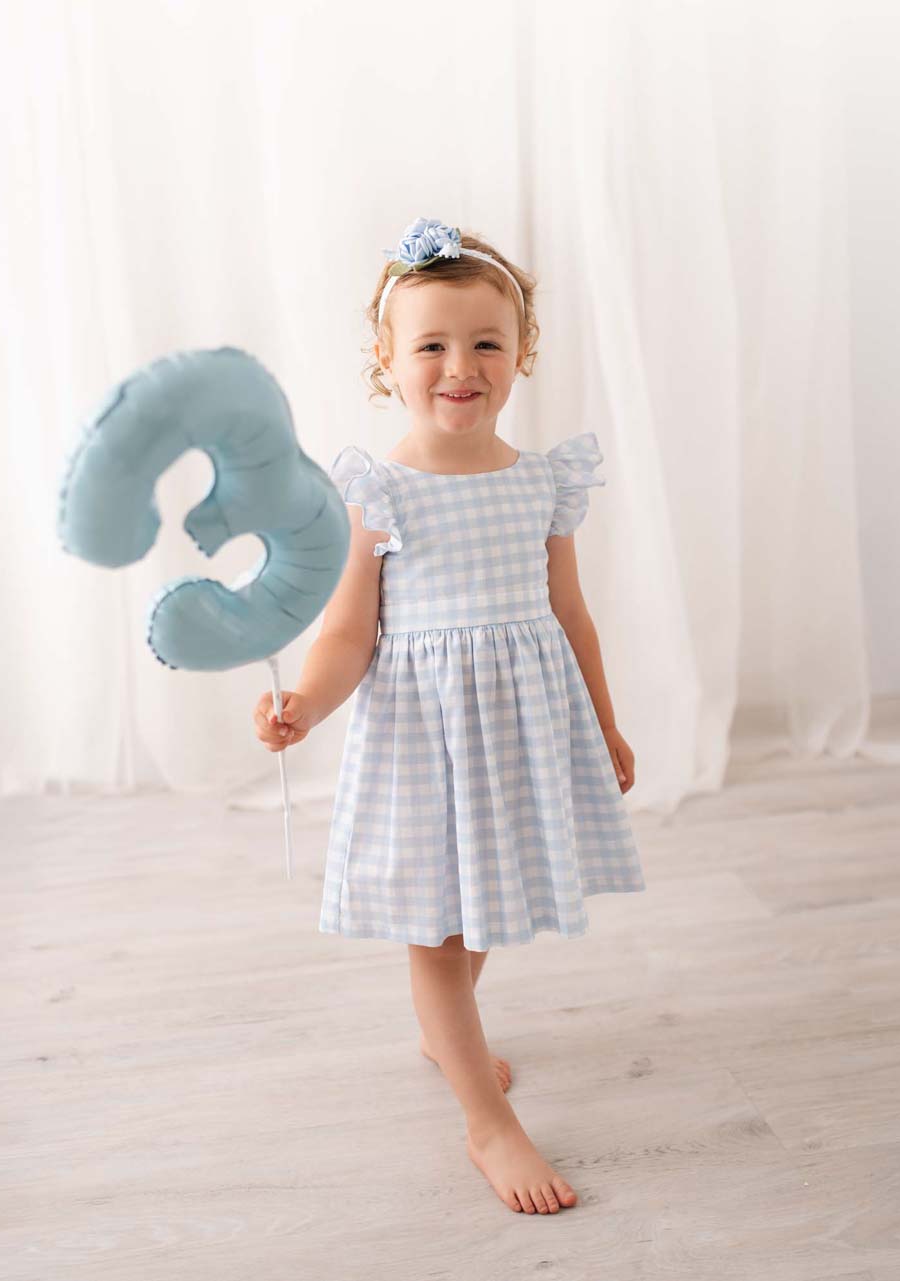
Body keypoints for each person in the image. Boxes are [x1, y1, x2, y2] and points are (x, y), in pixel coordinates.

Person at [251, 216, 646, 1216]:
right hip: (428, 740)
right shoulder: (381, 491)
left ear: (521, 355)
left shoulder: (541, 481)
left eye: (485, 344)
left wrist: (603, 724)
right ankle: (487, 1124)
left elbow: (570, 613)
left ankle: (448, 1033)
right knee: (437, 933)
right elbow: (350, 633)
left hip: (520, 731)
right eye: (430, 344)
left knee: (487, 902)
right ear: (386, 360)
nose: (459, 367)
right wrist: (302, 702)